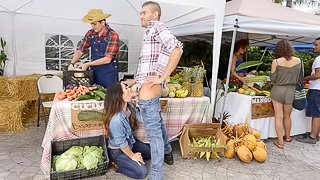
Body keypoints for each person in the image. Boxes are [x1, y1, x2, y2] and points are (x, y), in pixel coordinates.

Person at [125, 1, 183, 179]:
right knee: (157, 124)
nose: (141, 16)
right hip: (146, 88)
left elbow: (177, 50)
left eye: (144, 13)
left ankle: (157, 174)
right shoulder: (150, 32)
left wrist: (162, 78)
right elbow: (148, 64)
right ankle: (167, 152)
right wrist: (134, 80)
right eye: (140, 13)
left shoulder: (158, 28)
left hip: (151, 89)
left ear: (155, 14)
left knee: (154, 133)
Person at [104, 82, 151, 179]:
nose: (129, 89)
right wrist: (133, 156)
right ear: (119, 96)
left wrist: (141, 102)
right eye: (126, 88)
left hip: (130, 143)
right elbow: (122, 144)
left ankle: (132, 157)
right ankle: (116, 166)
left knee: (151, 153)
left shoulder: (128, 106)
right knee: (141, 173)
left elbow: (141, 119)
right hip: (118, 150)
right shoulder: (116, 120)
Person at [68, 9, 120, 89]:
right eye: (91, 24)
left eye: (95, 24)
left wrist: (87, 64)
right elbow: (80, 50)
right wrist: (71, 63)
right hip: (94, 73)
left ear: (102, 22)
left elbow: (107, 59)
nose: (92, 26)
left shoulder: (112, 35)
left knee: (109, 98)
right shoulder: (91, 33)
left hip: (109, 74)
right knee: (94, 95)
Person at [270, 40, 301, 149]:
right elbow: (300, 78)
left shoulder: (276, 62)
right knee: (287, 116)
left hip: (278, 90)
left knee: (279, 116)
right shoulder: (298, 61)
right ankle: (287, 137)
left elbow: (273, 79)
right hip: (291, 91)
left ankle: (280, 142)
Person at [296, 37, 320, 144]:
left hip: (316, 89)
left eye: (316, 45)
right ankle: (315, 133)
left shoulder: (318, 59)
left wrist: (304, 78)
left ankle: (312, 136)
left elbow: (318, 75)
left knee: (316, 113)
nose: (314, 47)